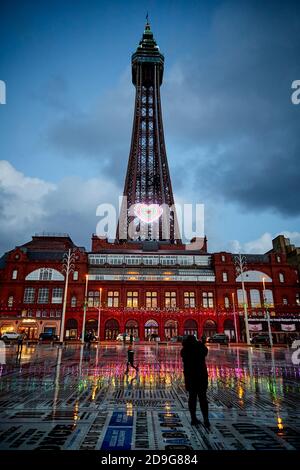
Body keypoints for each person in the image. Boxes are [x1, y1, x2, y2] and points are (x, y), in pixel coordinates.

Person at [181, 335, 210, 428]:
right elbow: (205, 352)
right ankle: (206, 419)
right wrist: (200, 343)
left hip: (190, 376)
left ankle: (193, 418)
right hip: (201, 376)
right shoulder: (200, 347)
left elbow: (183, 355)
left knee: (192, 398)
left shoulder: (185, 350)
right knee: (203, 398)